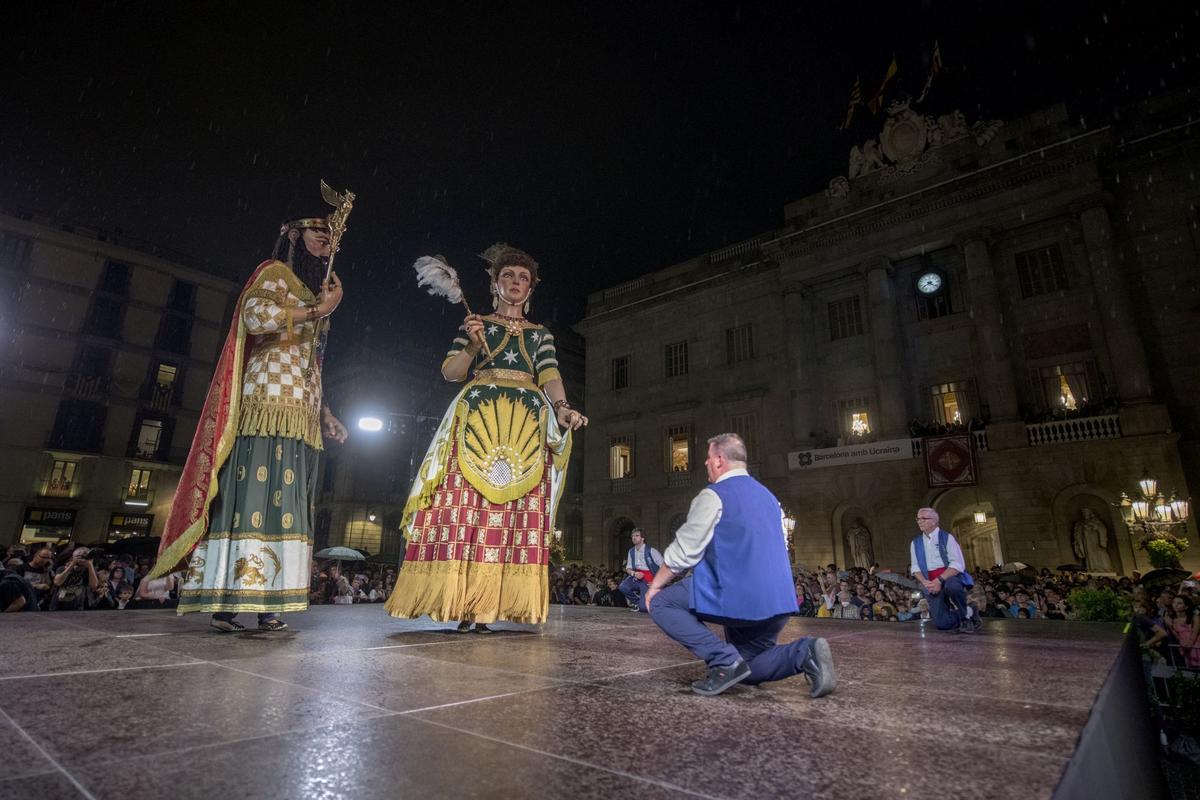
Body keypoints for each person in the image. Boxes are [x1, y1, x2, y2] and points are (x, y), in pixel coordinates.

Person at [145, 207, 349, 632]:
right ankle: (225, 601)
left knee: (287, 509)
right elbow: (254, 317)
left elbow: (313, 361)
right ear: (294, 236)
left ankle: (269, 602)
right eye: (316, 230)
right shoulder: (274, 272)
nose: (325, 237)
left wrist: (326, 412)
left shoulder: (319, 290)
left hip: (301, 411)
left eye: (331, 233)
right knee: (251, 499)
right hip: (266, 401)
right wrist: (316, 311)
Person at [386, 244, 586, 633]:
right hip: (475, 419)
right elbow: (450, 372)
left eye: (523, 277)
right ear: (495, 283)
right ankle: (459, 601)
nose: (516, 282)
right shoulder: (476, 324)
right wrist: (475, 345)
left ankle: (490, 605)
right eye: (508, 276)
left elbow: (550, 374)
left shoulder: (540, 334)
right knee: (466, 510)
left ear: (531, 289)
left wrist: (561, 407)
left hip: (526, 426)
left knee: (513, 515)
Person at [645, 433, 836, 697]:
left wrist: (655, 586)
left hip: (738, 594)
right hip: (778, 600)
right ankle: (805, 652)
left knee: (662, 603)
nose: (706, 465)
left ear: (720, 460)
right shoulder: (769, 498)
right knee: (751, 668)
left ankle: (723, 660)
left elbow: (683, 552)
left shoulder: (714, 495)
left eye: (708, 459)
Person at [910, 508, 980, 634]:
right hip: (930, 581)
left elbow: (957, 563)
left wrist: (939, 580)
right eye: (918, 519)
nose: (920, 521)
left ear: (934, 521)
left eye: (923, 518)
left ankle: (965, 617)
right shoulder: (915, 543)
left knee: (952, 587)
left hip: (948, 576)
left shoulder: (947, 538)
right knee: (942, 624)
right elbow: (915, 567)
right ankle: (969, 610)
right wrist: (926, 583)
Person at [618, 529, 662, 611]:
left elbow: (664, 566)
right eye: (632, 536)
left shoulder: (651, 551)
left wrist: (656, 582)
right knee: (623, 587)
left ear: (643, 538)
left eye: (636, 536)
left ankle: (647, 602)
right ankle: (638, 602)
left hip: (649, 579)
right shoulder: (631, 551)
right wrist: (634, 573)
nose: (634, 538)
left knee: (643, 608)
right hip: (637, 576)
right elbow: (628, 568)